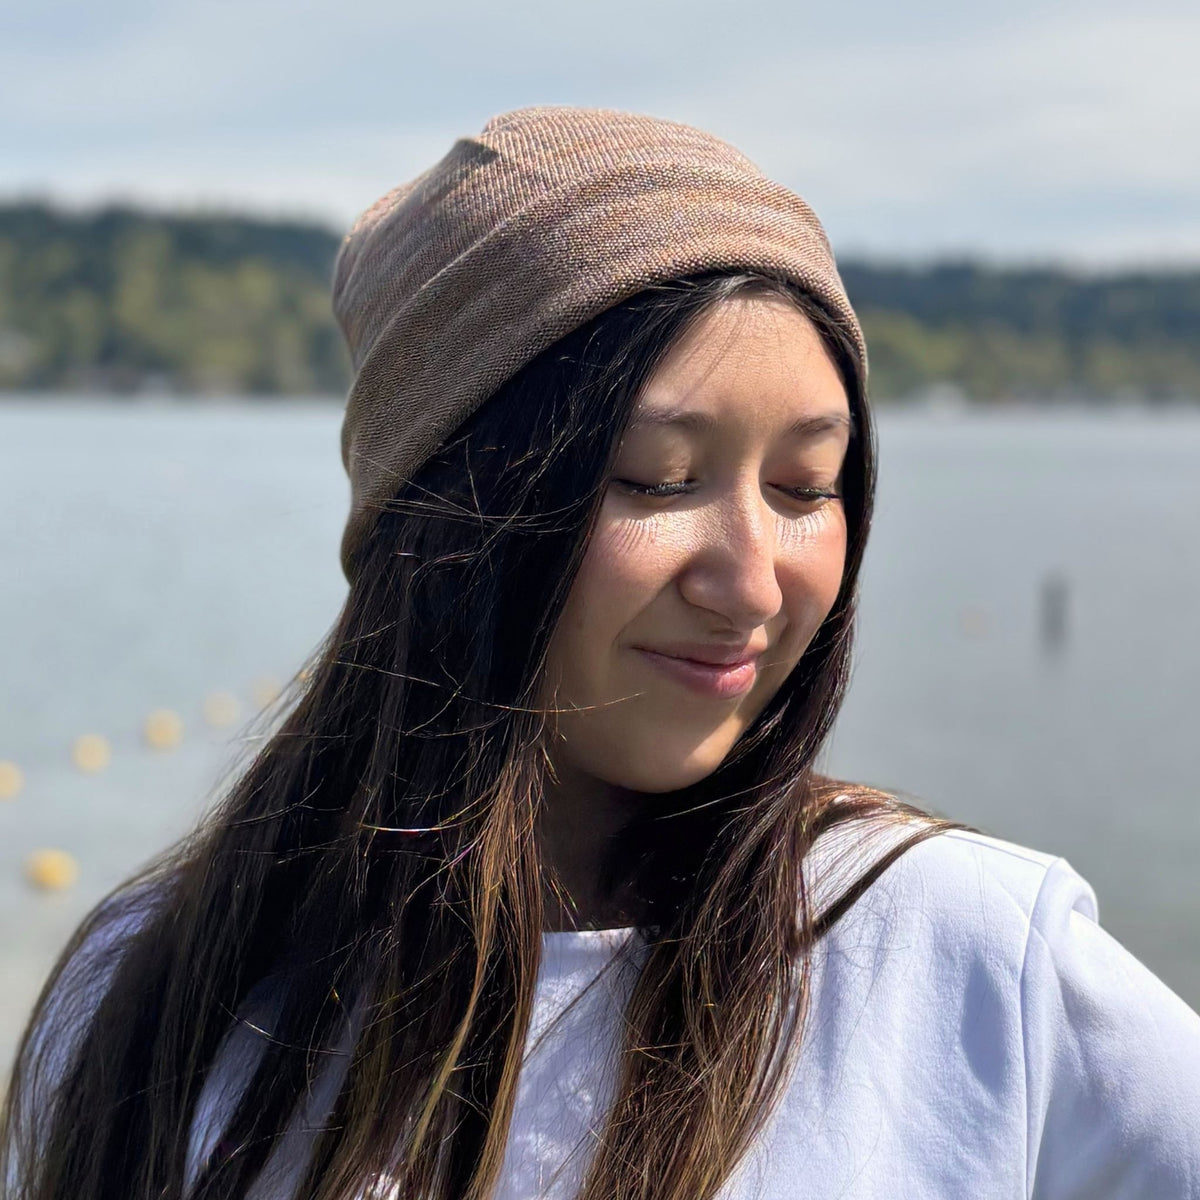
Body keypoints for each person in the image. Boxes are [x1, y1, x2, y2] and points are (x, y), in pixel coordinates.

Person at [3, 105, 1199, 1200]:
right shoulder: (153, 992)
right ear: (453, 514)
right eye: (658, 480)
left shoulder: (966, 952)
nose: (751, 578)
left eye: (805, 486)